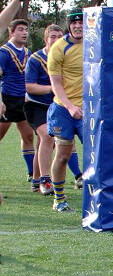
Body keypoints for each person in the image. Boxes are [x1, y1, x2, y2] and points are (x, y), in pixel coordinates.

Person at [47, 8, 84, 213]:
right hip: (63, 109)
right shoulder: (59, 48)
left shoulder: (95, 45)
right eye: (74, 23)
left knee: (99, 153)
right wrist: (70, 107)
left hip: (89, 110)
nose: (78, 26)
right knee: (63, 155)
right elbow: (56, 83)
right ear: (68, 25)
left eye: (81, 22)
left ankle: (99, 194)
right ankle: (59, 198)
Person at [24, 24, 65, 196]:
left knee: (44, 142)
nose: (56, 40)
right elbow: (29, 87)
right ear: (46, 39)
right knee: (48, 136)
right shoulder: (35, 59)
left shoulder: (66, 56)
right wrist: (52, 88)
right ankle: (46, 180)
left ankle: (35, 179)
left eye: (59, 36)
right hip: (35, 105)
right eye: (52, 37)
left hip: (57, 105)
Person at [0, 18, 34, 186]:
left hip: (23, 100)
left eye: (26, 30)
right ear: (11, 32)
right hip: (6, 100)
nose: (24, 33)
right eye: (20, 29)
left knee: (28, 136)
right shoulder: (3, 52)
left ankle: (32, 173)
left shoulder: (28, 53)